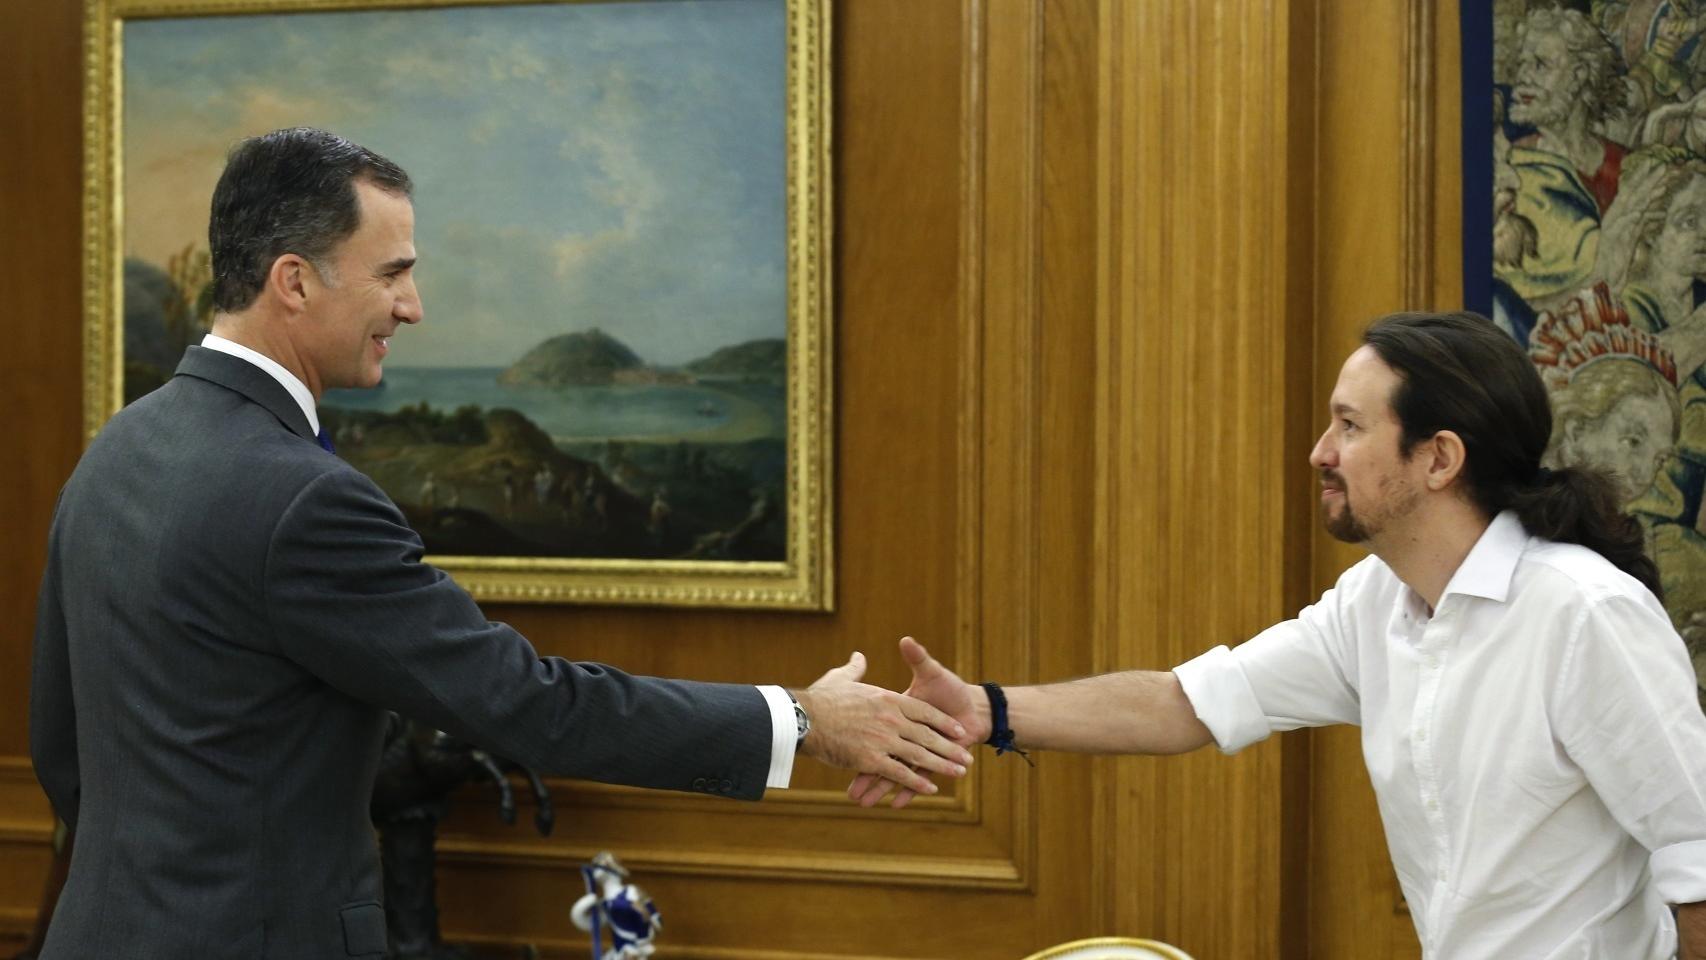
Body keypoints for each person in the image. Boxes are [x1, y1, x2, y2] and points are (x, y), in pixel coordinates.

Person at [29, 127, 972, 959]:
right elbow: (529, 704)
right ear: (294, 280)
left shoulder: (115, 451)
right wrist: (802, 721)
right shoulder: (304, 499)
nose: (413, 306)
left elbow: (61, 744)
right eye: (392, 273)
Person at [854, 312, 1706, 959]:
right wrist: (984, 709)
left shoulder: (1585, 614)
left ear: (1439, 459)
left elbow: (1698, 863)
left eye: (1351, 426)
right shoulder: (1375, 600)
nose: (1319, 452)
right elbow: (1184, 703)